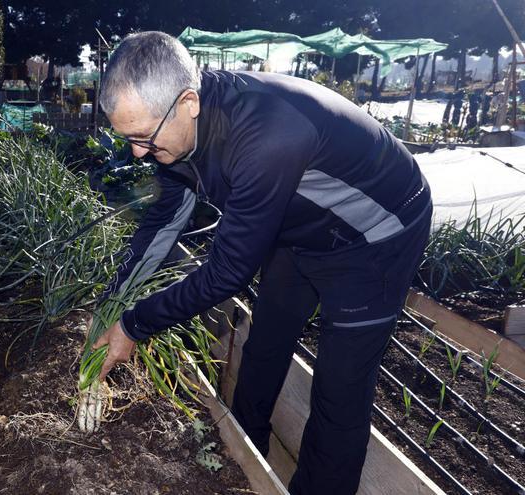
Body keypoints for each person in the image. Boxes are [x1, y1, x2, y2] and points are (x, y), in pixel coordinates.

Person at [92, 31, 432, 495]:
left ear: (188, 101)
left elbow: (227, 272)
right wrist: (110, 308)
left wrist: (135, 325)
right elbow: (161, 223)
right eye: (127, 138)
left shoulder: (267, 135)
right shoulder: (172, 135)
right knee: (265, 344)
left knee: (339, 390)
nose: (137, 152)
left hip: (375, 236)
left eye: (142, 137)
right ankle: (243, 464)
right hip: (299, 229)